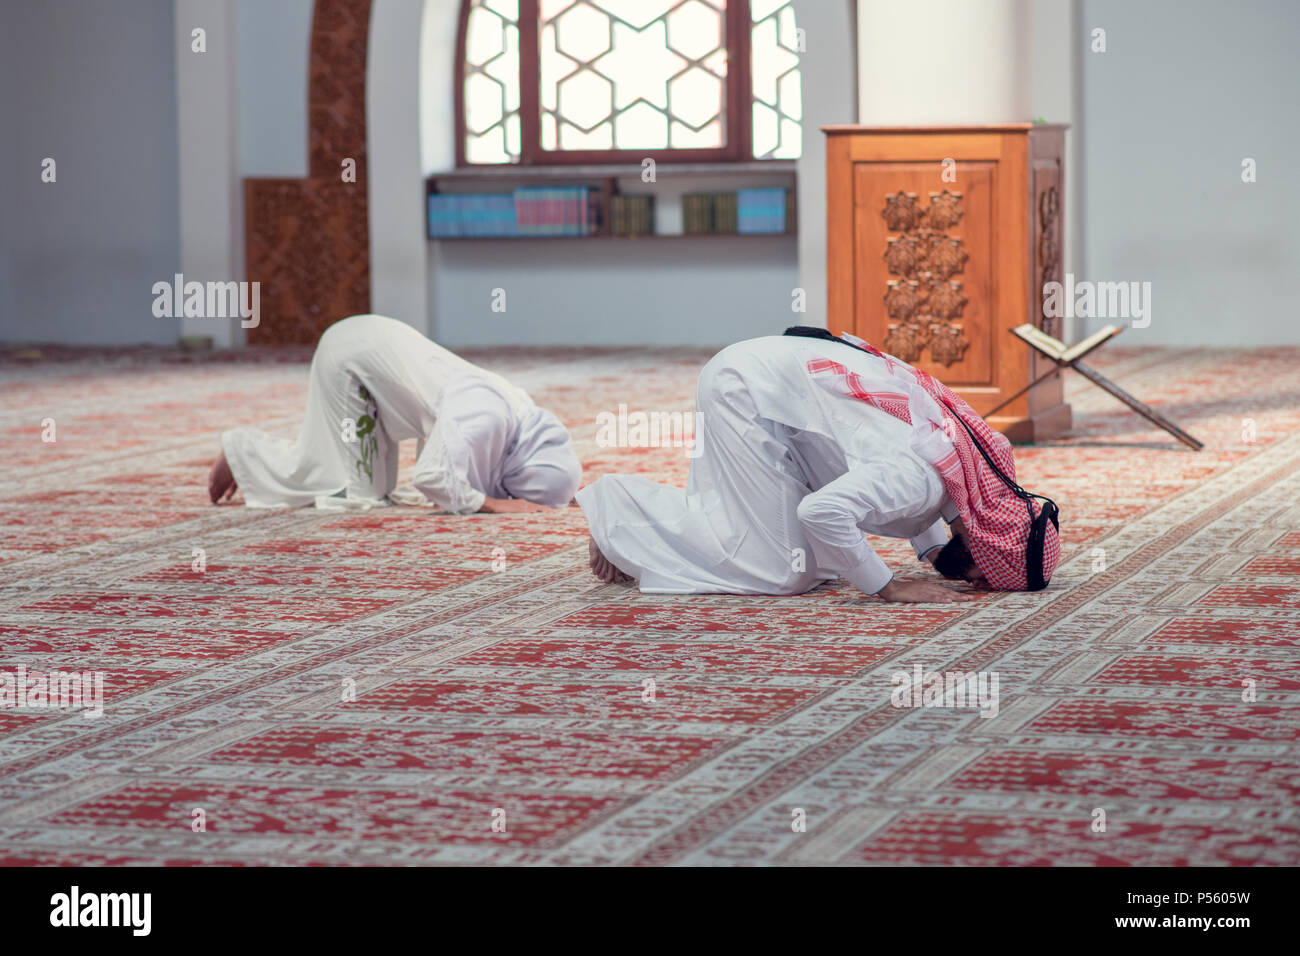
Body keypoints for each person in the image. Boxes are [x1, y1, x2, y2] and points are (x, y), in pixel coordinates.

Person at [580, 329, 1059, 603]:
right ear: (986, 541)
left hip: (788, 395)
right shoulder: (918, 483)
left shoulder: (971, 473)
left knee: (807, 563)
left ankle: (644, 525)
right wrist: (889, 588)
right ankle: (621, 508)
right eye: (987, 576)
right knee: (778, 573)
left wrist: (934, 555)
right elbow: (823, 511)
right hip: (746, 389)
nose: (977, 582)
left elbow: (920, 492)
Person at [208, 314, 580, 514]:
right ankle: (242, 450)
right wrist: (494, 503)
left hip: (373, 347)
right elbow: (432, 476)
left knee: (369, 485)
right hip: (352, 357)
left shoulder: (517, 414)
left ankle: (248, 457)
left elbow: (455, 463)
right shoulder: (486, 417)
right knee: (357, 492)